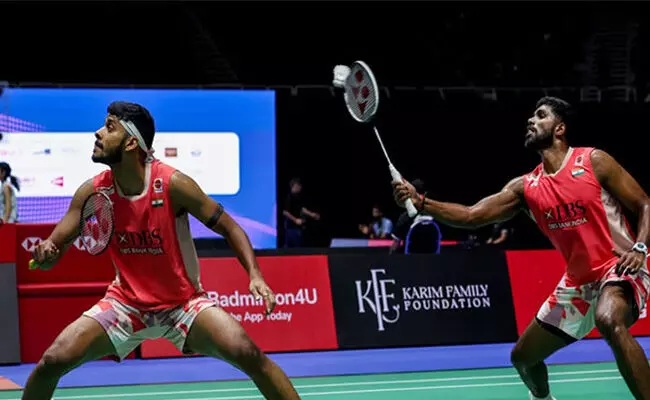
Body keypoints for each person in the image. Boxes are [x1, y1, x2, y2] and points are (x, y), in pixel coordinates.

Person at [24, 102, 301, 400]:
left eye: (109, 127)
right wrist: (47, 252)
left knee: (247, 353)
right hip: (125, 304)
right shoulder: (93, 191)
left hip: (182, 304)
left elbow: (230, 228)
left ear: (131, 143)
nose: (98, 132)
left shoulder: (172, 184)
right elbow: (54, 249)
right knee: (52, 361)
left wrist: (255, 275)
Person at [393, 97, 650, 400]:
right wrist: (421, 202)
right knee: (523, 358)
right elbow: (472, 215)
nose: (531, 120)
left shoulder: (592, 161)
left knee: (609, 319)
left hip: (620, 266)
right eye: (531, 116)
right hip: (579, 284)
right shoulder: (526, 188)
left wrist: (640, 247)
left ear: (560, 128)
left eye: (540, 116)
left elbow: (644, 203)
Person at [281, 178, 320, 248]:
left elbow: (302, 209)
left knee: (299, 246)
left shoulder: (298, 197)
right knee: (292, 247)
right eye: (299, 186)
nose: (300, 187)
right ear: (295, 186)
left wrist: (312, 214)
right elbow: (285, 212)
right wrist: (295, 220)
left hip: (298, 227)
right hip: (291, 228)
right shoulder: (289, 197)